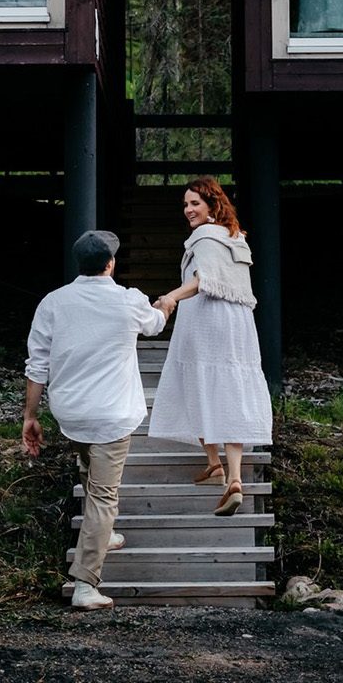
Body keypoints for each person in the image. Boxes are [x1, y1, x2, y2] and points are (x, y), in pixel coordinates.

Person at [23, 229, 169, 611]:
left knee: (89, 466)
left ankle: (105, 533)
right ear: (110, 264)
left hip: (70, 412)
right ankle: (86, 583)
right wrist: (166, 305)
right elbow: (155, 324)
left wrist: (30, 415)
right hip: (112, 415)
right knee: (104, 496)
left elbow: (37, 364)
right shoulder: (129, 300)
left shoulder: (53, 302)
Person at [147, 176, 273, 517]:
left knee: (198, 385)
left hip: (205, 319)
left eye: (194, 204)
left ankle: (218, 465)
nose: (188, 210)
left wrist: (171, 297)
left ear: (212, 205)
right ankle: (228, 474)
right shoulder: (236, 238)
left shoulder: (203, 236)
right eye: (185, 205)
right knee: (230, 389)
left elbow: (201, 281)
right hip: (238, 323)